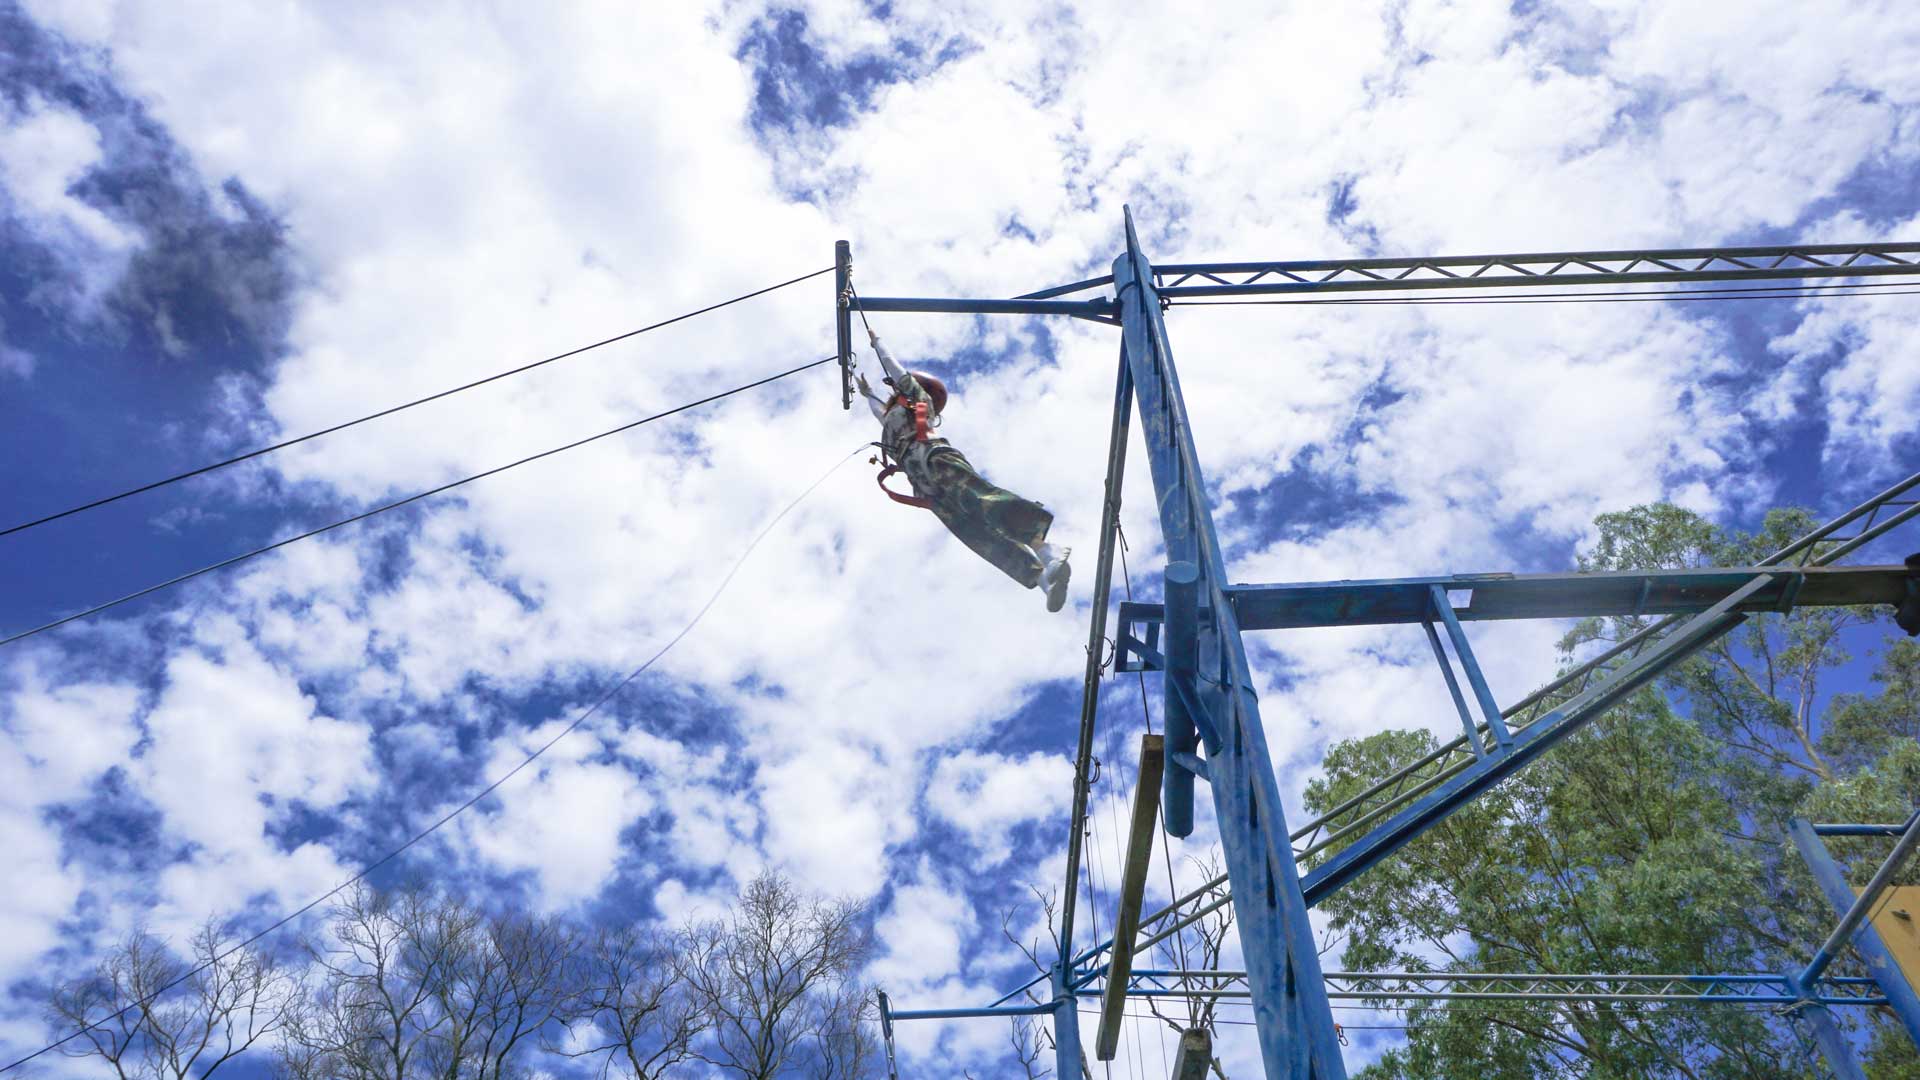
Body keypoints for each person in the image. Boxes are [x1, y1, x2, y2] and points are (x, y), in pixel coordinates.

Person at [858, 328, 1072, 612]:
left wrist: (878, 343)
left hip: (934, 457)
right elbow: (879, 414)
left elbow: (896, 371)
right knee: (978, 535)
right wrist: (867, 394)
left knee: (981, 500)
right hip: (925, 485)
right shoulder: (891, 422)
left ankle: (1047, 549)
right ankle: (1045, 580)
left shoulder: (918, 399)